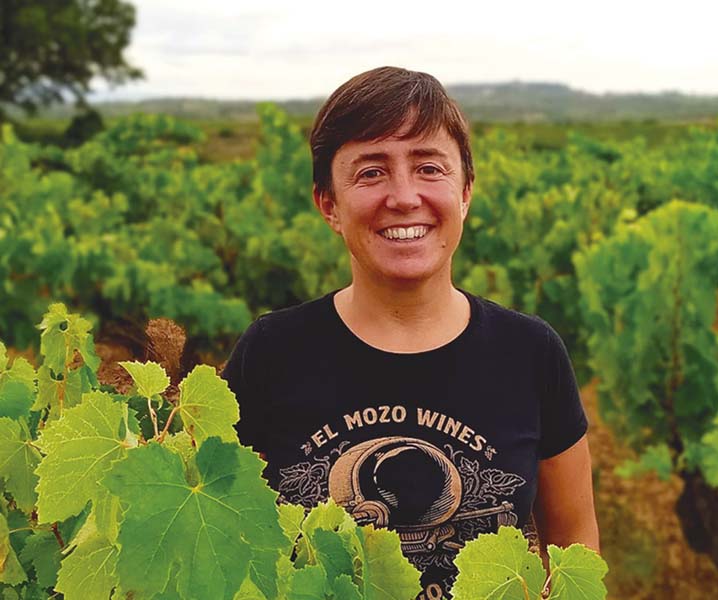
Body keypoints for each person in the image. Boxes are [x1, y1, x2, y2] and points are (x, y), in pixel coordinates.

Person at [222, 66, 599, 599]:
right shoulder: (271, 353)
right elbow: (223, 538)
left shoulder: (531, 353)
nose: (403, 196)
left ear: (465, 192)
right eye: (371, 172)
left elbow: (574, 542)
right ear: (329, 204)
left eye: (429, 168)